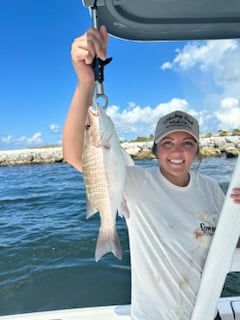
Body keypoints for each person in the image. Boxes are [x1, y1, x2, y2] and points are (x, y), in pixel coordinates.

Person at [63, 25, 240, 320]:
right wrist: (85, 84)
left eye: (187, 143)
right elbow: (72, 153)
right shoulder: (134, 183)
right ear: (155, 150)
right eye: (167, 143)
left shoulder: (210, 188)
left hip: (207, 312)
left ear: (197, 151)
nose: (177, 151)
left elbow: (231, 244)